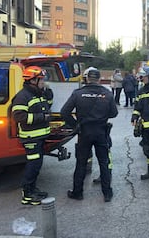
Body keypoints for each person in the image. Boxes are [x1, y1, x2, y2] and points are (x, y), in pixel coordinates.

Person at [61, 67, 118, 202]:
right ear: (98, 79)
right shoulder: (107, 93)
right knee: (104, 163)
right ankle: (107, 193)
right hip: (101, 131)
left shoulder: (78, 93)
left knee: (81, 163)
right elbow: (114, 113)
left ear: (86, 78)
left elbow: (64, 112)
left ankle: (77, 192)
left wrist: (75, 125)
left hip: (84, 132)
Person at [12, 66, 53, 205]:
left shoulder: (38, 93)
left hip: (39, 136)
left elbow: (47, 107)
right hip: (31, 138)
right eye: (41, 80)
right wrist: (41, 117)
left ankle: (33, 189)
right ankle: (27, 194)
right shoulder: (23, 96)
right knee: (33, 165)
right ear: (33, 80)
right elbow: (19, 116)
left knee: (36, 164)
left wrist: (49, 96)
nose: (44, 82)